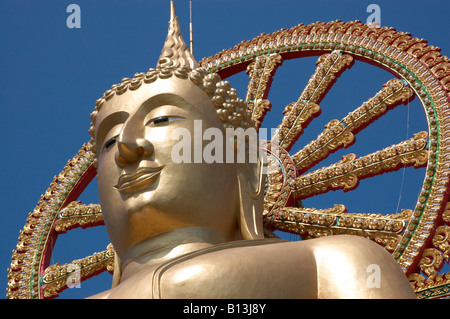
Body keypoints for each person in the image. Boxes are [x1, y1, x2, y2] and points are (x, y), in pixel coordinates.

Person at [87, 2, 415, 299]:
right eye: (110, 140)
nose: (127, 148)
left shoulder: (328, 263)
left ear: (244, 164)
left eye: (161, 119)